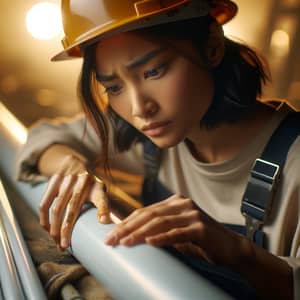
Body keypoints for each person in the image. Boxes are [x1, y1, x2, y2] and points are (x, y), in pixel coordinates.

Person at [16, 0, 300, 299]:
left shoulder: (294, 159)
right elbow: (44, 136)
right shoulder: (149, 141)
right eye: (114, 88)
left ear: (213, 46)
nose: (139, 109)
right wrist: (71, 168)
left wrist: (235, 250)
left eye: (153, 71)